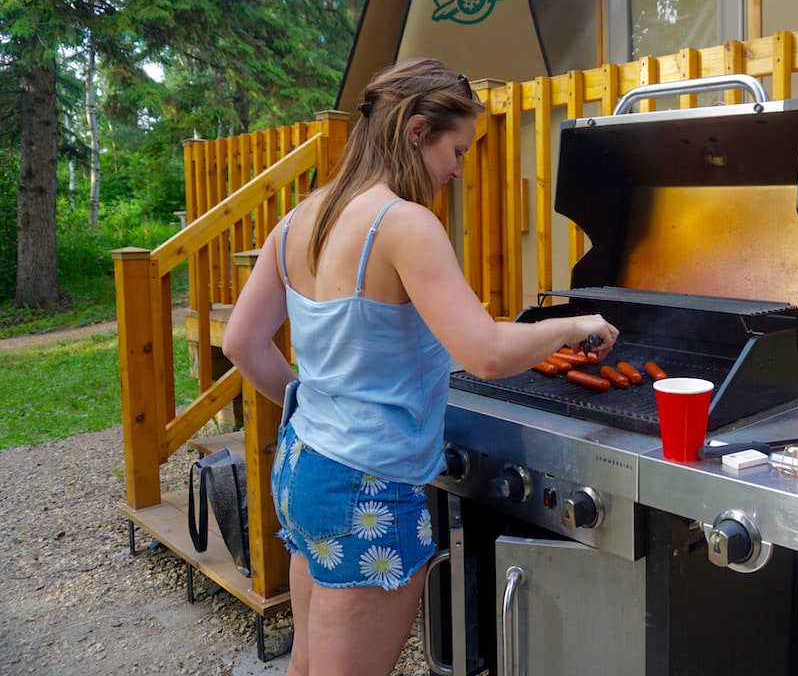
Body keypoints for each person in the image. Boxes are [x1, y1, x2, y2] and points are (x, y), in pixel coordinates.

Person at [223, 58, 618, 676]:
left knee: (305, 662)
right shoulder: (404, 224)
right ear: (415, 131)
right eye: (455, 149)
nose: (457, 169)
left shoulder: (300, 218)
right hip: (367, 488)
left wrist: (309, 407)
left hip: (303, 466)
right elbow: (484, 353)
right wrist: (574, 324)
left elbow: (242, 343)